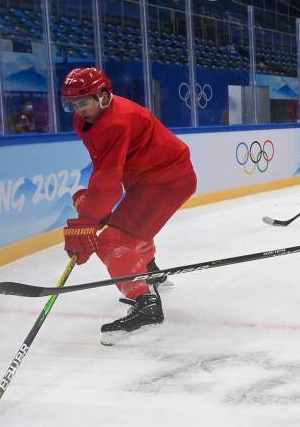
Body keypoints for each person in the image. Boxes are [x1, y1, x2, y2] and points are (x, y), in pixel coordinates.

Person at [60, 68, 197, 338]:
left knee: (112, 240)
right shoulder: (87, 121)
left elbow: (109, 181)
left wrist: (87, 221)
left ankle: (145, 304)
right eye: (72, 104)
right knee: (125, 226)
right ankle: (148, 269)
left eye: (83, 102)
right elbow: (106, 168)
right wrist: (96, 210)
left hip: (166, 182)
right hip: (150, 179)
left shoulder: (116, 121)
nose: (79, 109)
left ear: (103, 96)